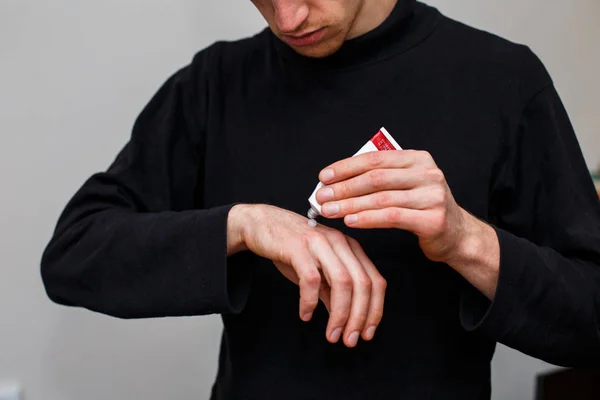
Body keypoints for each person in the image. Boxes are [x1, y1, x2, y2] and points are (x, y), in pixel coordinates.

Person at [41, 0, 600, 399]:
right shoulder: (214, 84)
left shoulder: (502, 80)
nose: (288, 18)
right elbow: (73, 254)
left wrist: (463, 239)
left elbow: (589, 321)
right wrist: (242, 226)